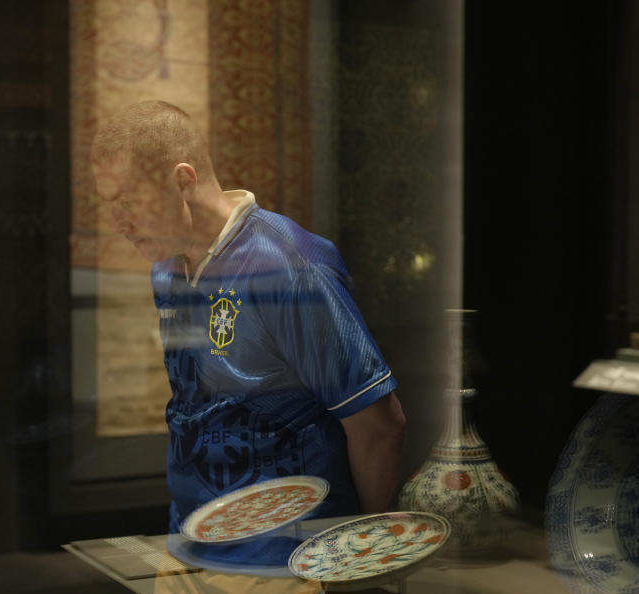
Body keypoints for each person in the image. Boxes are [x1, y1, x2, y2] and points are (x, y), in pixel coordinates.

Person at [90, 99, 406, 537]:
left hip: (288, 552)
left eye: (128, 200)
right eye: (109, 204)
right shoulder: (166, 270)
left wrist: (348, 547)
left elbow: (377, 424)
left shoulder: (288, 266)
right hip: (190, 533)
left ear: (183, 180)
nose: (118, 222)